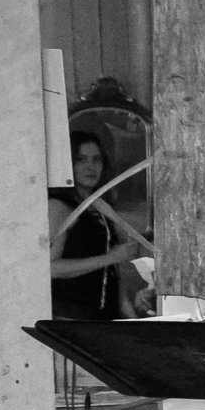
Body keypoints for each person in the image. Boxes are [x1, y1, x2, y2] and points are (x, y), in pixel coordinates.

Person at [49, 131, 136, 320]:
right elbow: (50, 268)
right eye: (81, 159)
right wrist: (108, 258)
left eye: (96, 160)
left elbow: (113, 271)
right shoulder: (59, 206)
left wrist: (130, 315)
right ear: (68, 164)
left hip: (104, 316)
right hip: (69, 316)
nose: (90, 167)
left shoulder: (100, 207)